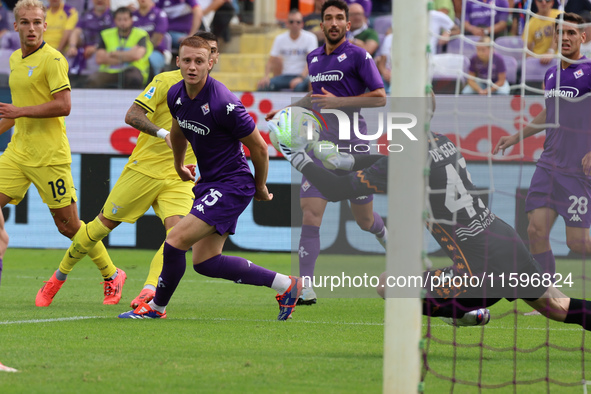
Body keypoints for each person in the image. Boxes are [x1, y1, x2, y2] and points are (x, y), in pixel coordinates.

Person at [269, 109, 591, 331]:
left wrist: (297, 156)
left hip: (478, 268)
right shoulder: (442, 140)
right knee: (558, 307)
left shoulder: (403, 162)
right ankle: (469, 312)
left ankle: (467, 314)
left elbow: (335, 190)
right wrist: (341, 158)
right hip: (506, 240)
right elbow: (384, 161)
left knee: (387, 285)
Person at [118, 36, 302, 320]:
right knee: (205, 262)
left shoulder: (224, 103)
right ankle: (286, 285)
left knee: (175, 240)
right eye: (187, 60)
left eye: (199, 61)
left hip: (233, 184)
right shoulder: (176, 94)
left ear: (210, 63)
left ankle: (155, 308)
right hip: (209, 183)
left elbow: (260, 148)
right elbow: (178, 133)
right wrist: (179, 165)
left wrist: (260, 187)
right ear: (177, 61)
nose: (192, 67)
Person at [0, 0, 124, 306]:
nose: (31, 28)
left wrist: (20, 110)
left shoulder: (53, 60)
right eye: (25, 22)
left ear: (45, 25)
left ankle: (111, 274)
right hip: (18, 152)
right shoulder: (15, 59)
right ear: (15, 26)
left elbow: (64, 106)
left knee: (68, 225)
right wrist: (14, 116)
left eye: (37, 22)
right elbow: (15, 115)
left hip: (50, 156)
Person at [265, 0, 387, 305]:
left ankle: (390, 242)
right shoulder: (314, 57)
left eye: (339, 18)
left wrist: (339, 103)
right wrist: (288, 110)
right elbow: (316, 96)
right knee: (310, 213)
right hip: (319, 148)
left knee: (365, 220)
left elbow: (380, 97)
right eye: (328, 18)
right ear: (321, 26)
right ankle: (305, 287)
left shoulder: (359, 55)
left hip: (354, 145)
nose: (333, 23)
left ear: (347, 24)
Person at [494, 13, 591, 279]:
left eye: (572, 33)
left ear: (583, 37)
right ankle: (547, 295)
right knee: (535, 231)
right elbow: (550, 113)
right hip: (548, 164)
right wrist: (516, 137)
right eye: (561, 33)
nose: (566, 38)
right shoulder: (550, 73)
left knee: (577, 243)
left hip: (577, 171)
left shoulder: (589, 72)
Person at [86, 6, 153, 89]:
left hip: (132, 70)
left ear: (131, 20)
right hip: (110, 71)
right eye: (119, 19)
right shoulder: (106, 34)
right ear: (115, 21)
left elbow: (137, 55)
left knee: (134, 79)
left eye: (125, 19)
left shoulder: (141, 34)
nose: (122, 23)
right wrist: (129, 55)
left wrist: (113, 54)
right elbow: (99, 59)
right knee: (93, 80)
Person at [257, 9, 317, 92]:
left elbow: (311, 61)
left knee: (298, 88)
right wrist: (266, 77)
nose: (295, 24)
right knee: (264, 86)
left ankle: (299, 105)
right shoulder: (280, 39)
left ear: (302, 24)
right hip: (285, 76)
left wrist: (301, 77)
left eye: (298, 22)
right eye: (291, 22)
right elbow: (271, 61)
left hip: (303, 77)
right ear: (287, 24)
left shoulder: (310, 38)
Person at [65, 0, 113, 77]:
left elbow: (113, 36)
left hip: (103, 50)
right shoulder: (85, 14)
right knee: (66, 61)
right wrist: (72, 46)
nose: (99, 1)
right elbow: (76, 31)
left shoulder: (113, 15)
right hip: (84, 49)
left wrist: (96, 47)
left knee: (93, 68)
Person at [132, 0, 169, 75]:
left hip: (155, 51)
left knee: (149, 61)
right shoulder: (131, 15)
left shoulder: (159, 14)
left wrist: (140, 51)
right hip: (133, 51)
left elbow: (157, 39)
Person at [522, 0, 562, 65]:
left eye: (547, 1)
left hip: (559, 61)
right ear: (536, 2)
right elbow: (527, 51)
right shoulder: (530, 23)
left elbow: (561, 34)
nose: (544, 3)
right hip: (539, 62)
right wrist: (535, 63)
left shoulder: (561, 15)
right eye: (540, 1)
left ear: (552, 2)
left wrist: (551, 52)